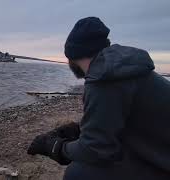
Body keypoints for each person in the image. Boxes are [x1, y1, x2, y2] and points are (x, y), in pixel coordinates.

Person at [27, 17, 170, 180]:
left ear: (72, 57)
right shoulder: (122, 69)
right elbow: (122, 116)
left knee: (78, 173)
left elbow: (95, 150)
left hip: (163, 165)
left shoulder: (103, 78)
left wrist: (54, 147)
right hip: (160, 149)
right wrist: (79, 129)